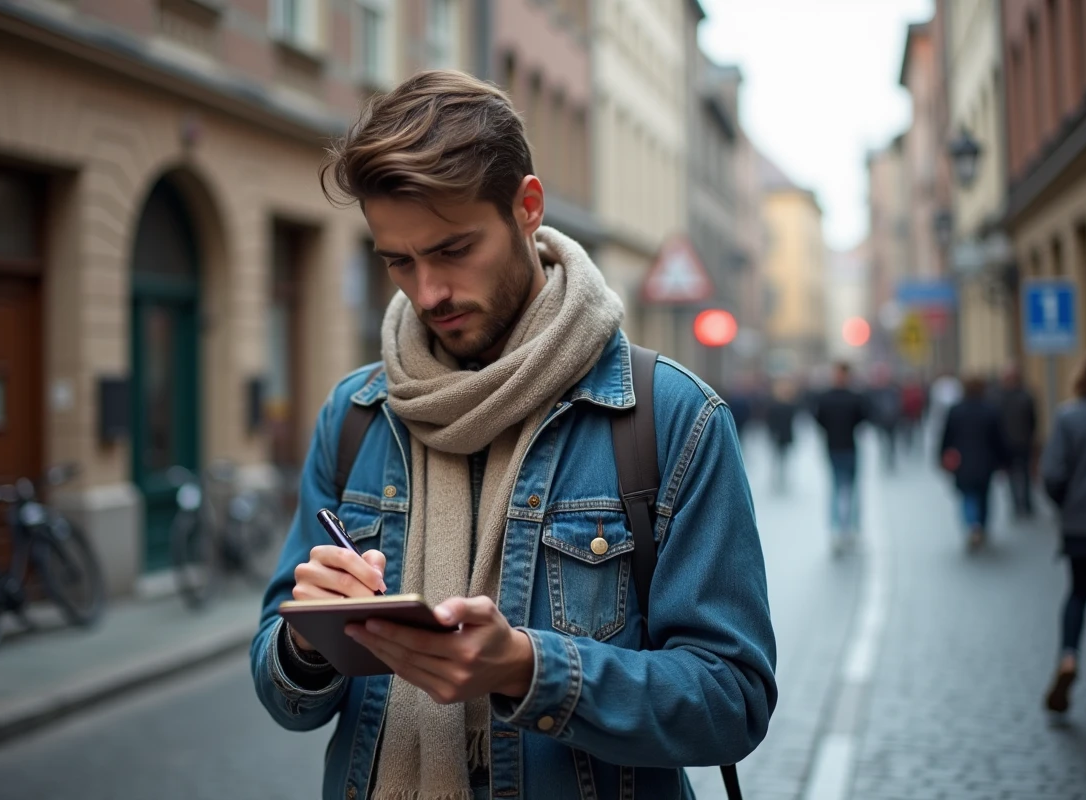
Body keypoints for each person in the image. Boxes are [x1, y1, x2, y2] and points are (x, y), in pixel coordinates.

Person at [249, 71, 777, 800]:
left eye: (454, 249)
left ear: (527, 208)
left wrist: (531, 671)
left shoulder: (670, 416)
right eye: (399, 261)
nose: (427, 291)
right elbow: (282, 695)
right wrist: (307, 644)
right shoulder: (356, 414)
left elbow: (733, 700)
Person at [1039, 353, 1086, 714]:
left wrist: (1067, 506)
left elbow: (1053, 474)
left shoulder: (1069, 417)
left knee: (1077, 594)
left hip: (1080, 526)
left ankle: (1069, 658)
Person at [939, 376, 1007, 550]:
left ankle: (972, 525)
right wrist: (1003, 460)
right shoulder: (990, 410)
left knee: (967, 495)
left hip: (962, 462)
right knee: (984, 495)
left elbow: (946, 437)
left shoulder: (956, 411)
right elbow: (999, 439)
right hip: (986, 462)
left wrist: (941, 457)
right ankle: (981, 526)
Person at [814, 362, 868, 554]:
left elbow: (818, 420)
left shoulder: (825, 398)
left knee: (837, 489)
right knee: (849, 489)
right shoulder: (855, 397)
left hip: (833, 447)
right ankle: (849, 529)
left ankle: (838, 531)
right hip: (848, 447)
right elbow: (864, 418)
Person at [998, 364, 1037, 517]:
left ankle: (1025, 503)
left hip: (1022, 441)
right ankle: (1017, 504)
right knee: (1012, 475)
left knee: (1025, 474)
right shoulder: (999, 396)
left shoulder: (1025, 396)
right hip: (1007, 443)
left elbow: (1033, 419)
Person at [866, 364, 901, 471]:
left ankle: (890, 459)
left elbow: (898, 404)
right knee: (882, 441)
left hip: (892, 421)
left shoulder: (893, 390)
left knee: (891, 442)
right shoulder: (874, 391)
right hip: (880, 422)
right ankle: (884, 457)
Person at [766, 379, 798, 492]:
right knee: (780, 459)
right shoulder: (784, 406)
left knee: (781, 459)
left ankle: (780, 480)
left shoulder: (787, 406)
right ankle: (778, 480)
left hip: (782, 436)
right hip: (781, 436)